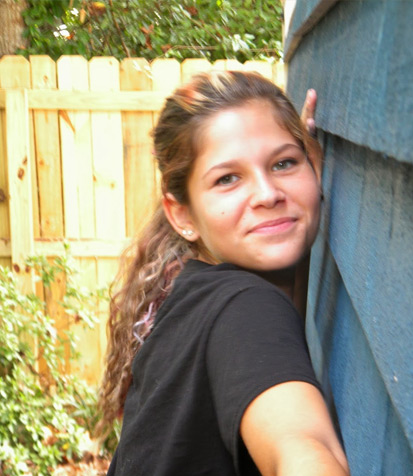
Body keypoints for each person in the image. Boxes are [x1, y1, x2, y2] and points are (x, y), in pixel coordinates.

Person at [97, 71, 349, 476]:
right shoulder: (246, 307)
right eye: (227, 179)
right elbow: (301, 449)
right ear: (182, 215)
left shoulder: (195, 295)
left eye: (284, 163)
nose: (268, 194)